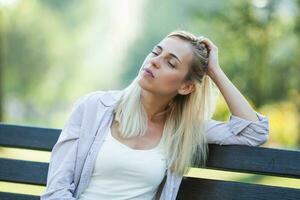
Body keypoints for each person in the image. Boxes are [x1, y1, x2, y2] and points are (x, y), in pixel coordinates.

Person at [41, 30, 269, 200]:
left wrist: (215, 71)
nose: (154, 62)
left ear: (186, 87)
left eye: (170, 62)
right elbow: (56, 190)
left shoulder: (184, 129)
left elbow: (254, 132)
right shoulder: (94, 107)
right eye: (156, 52)